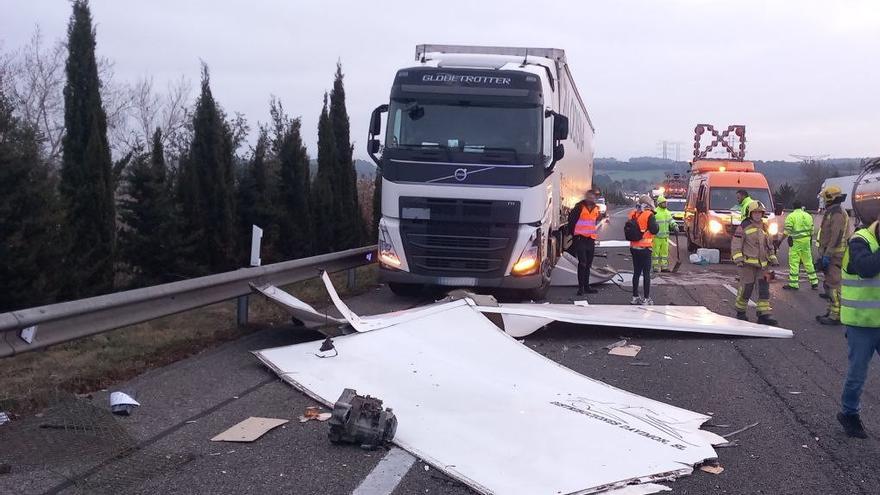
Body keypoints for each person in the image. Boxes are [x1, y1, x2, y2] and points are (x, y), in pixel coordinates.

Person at [837, 217, 880, 438]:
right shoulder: (859, 240)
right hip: (861, 322)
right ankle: (849, 413)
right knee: (858, 374)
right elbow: (866, 268)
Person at [731, 201, 779, 325]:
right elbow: (736, 244)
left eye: (759, 212)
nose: (757, 215)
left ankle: (764, 315)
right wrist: (738, 259)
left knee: (764, 289)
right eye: (755, 212)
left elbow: (769, 245)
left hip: (763, 265)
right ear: (750, 214)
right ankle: (740, 312)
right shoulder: (743, 226)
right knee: (746, 289)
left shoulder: (765, 226)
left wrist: (773, 257)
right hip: (747, 265)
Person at [816, 185, 849, 325]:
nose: (824, 201)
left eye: (825, 198)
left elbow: (836, 236)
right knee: (828, 284)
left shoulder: (837, 214)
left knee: (834, 284)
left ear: (831, 198)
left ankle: (835, 315)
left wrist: (828, 254)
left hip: (835, 255)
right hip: (831, 253)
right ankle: (831, 310)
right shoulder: (832, 212)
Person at [567, 191, 601, 296]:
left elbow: (594, 222)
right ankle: (581, 287)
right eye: (589, 197)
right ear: (586, 197)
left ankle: (587, 286)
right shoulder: (579, 207)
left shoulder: (596, 209)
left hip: (590, 239)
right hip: (580, 239)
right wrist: (575, 235)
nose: (591, 199)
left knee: (588, 264)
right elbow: (571, 221)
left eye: (593, 197)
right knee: (582, 263)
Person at [782, 201, 819, 291]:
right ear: (801, 206)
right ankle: (814, 281)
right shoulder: (808, 216)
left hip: (796, 242)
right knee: (808, 262)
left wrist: (780, 240)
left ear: (793, 207)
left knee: (794, 262)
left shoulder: (791, 216)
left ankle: (794, 284)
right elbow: (812, 231)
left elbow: (787, 231)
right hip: (806, 242)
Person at [629, 195, 659, 305]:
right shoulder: (649, 215)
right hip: (645, 248)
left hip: (634, 247)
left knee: (636, 272)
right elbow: (654, 230)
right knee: (646, 273)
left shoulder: (633, 214)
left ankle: (635, 297)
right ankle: (646, 298)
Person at [652, 196, 677, 272]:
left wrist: (675, 226)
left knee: (664, 253)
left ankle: (664, 267)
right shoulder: (655, 212)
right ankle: (655, 267)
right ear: (659, 203)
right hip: (656, 237)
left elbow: (671, 221)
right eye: (663, 203)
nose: (665, 204)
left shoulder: (667, 212)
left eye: (665, 203)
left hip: (665, 238)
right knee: (655, 253)